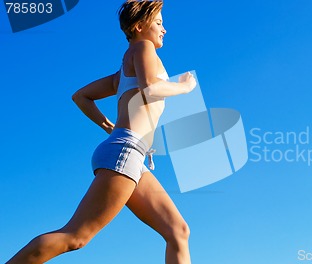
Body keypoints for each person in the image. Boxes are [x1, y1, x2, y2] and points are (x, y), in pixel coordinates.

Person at [7, 1, 196, 263]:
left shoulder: (122, 73)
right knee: (75, 236)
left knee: (178, 230)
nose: (164, 29)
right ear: (139, 26)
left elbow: (81, 96)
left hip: (128, 153)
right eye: (159, 23)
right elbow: (150, 87)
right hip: (125, 151)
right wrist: (183, 87)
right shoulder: (144, 47)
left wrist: (109, 127)